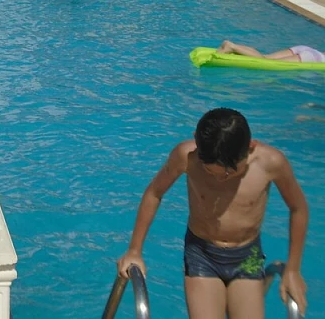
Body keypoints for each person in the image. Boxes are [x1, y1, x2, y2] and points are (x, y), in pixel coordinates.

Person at [117, 108, 308, 318]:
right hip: (202, 254)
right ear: (196, 143)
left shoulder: (271, 162)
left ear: (251, 146)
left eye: (230, 172)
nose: (221, 179)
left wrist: (293, 269)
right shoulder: (186, 157)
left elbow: (298, 207)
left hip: (247, 256)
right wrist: (134, 250)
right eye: (211, 171)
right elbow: (154, 193)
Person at [217, 40, 325, 63]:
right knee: (266, 62)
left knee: (265, 57)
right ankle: (233, 47)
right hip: (316, 57)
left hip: (308, 49)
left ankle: (232, 46)